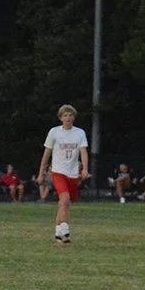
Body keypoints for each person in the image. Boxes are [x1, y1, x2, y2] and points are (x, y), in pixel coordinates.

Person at [36, 103, 90, 244]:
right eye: (65, 115)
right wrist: (41, 173)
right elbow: (46, 154)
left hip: (73, 173)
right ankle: (65, 231)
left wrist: (84, 169)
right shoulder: (54, 132)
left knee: (64, 203)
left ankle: (58, 233)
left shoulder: (80, 133)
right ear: (60, 118)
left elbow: (83, 152)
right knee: (64, 198)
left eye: (70, 115)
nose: (68, 118)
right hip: (58, 171)